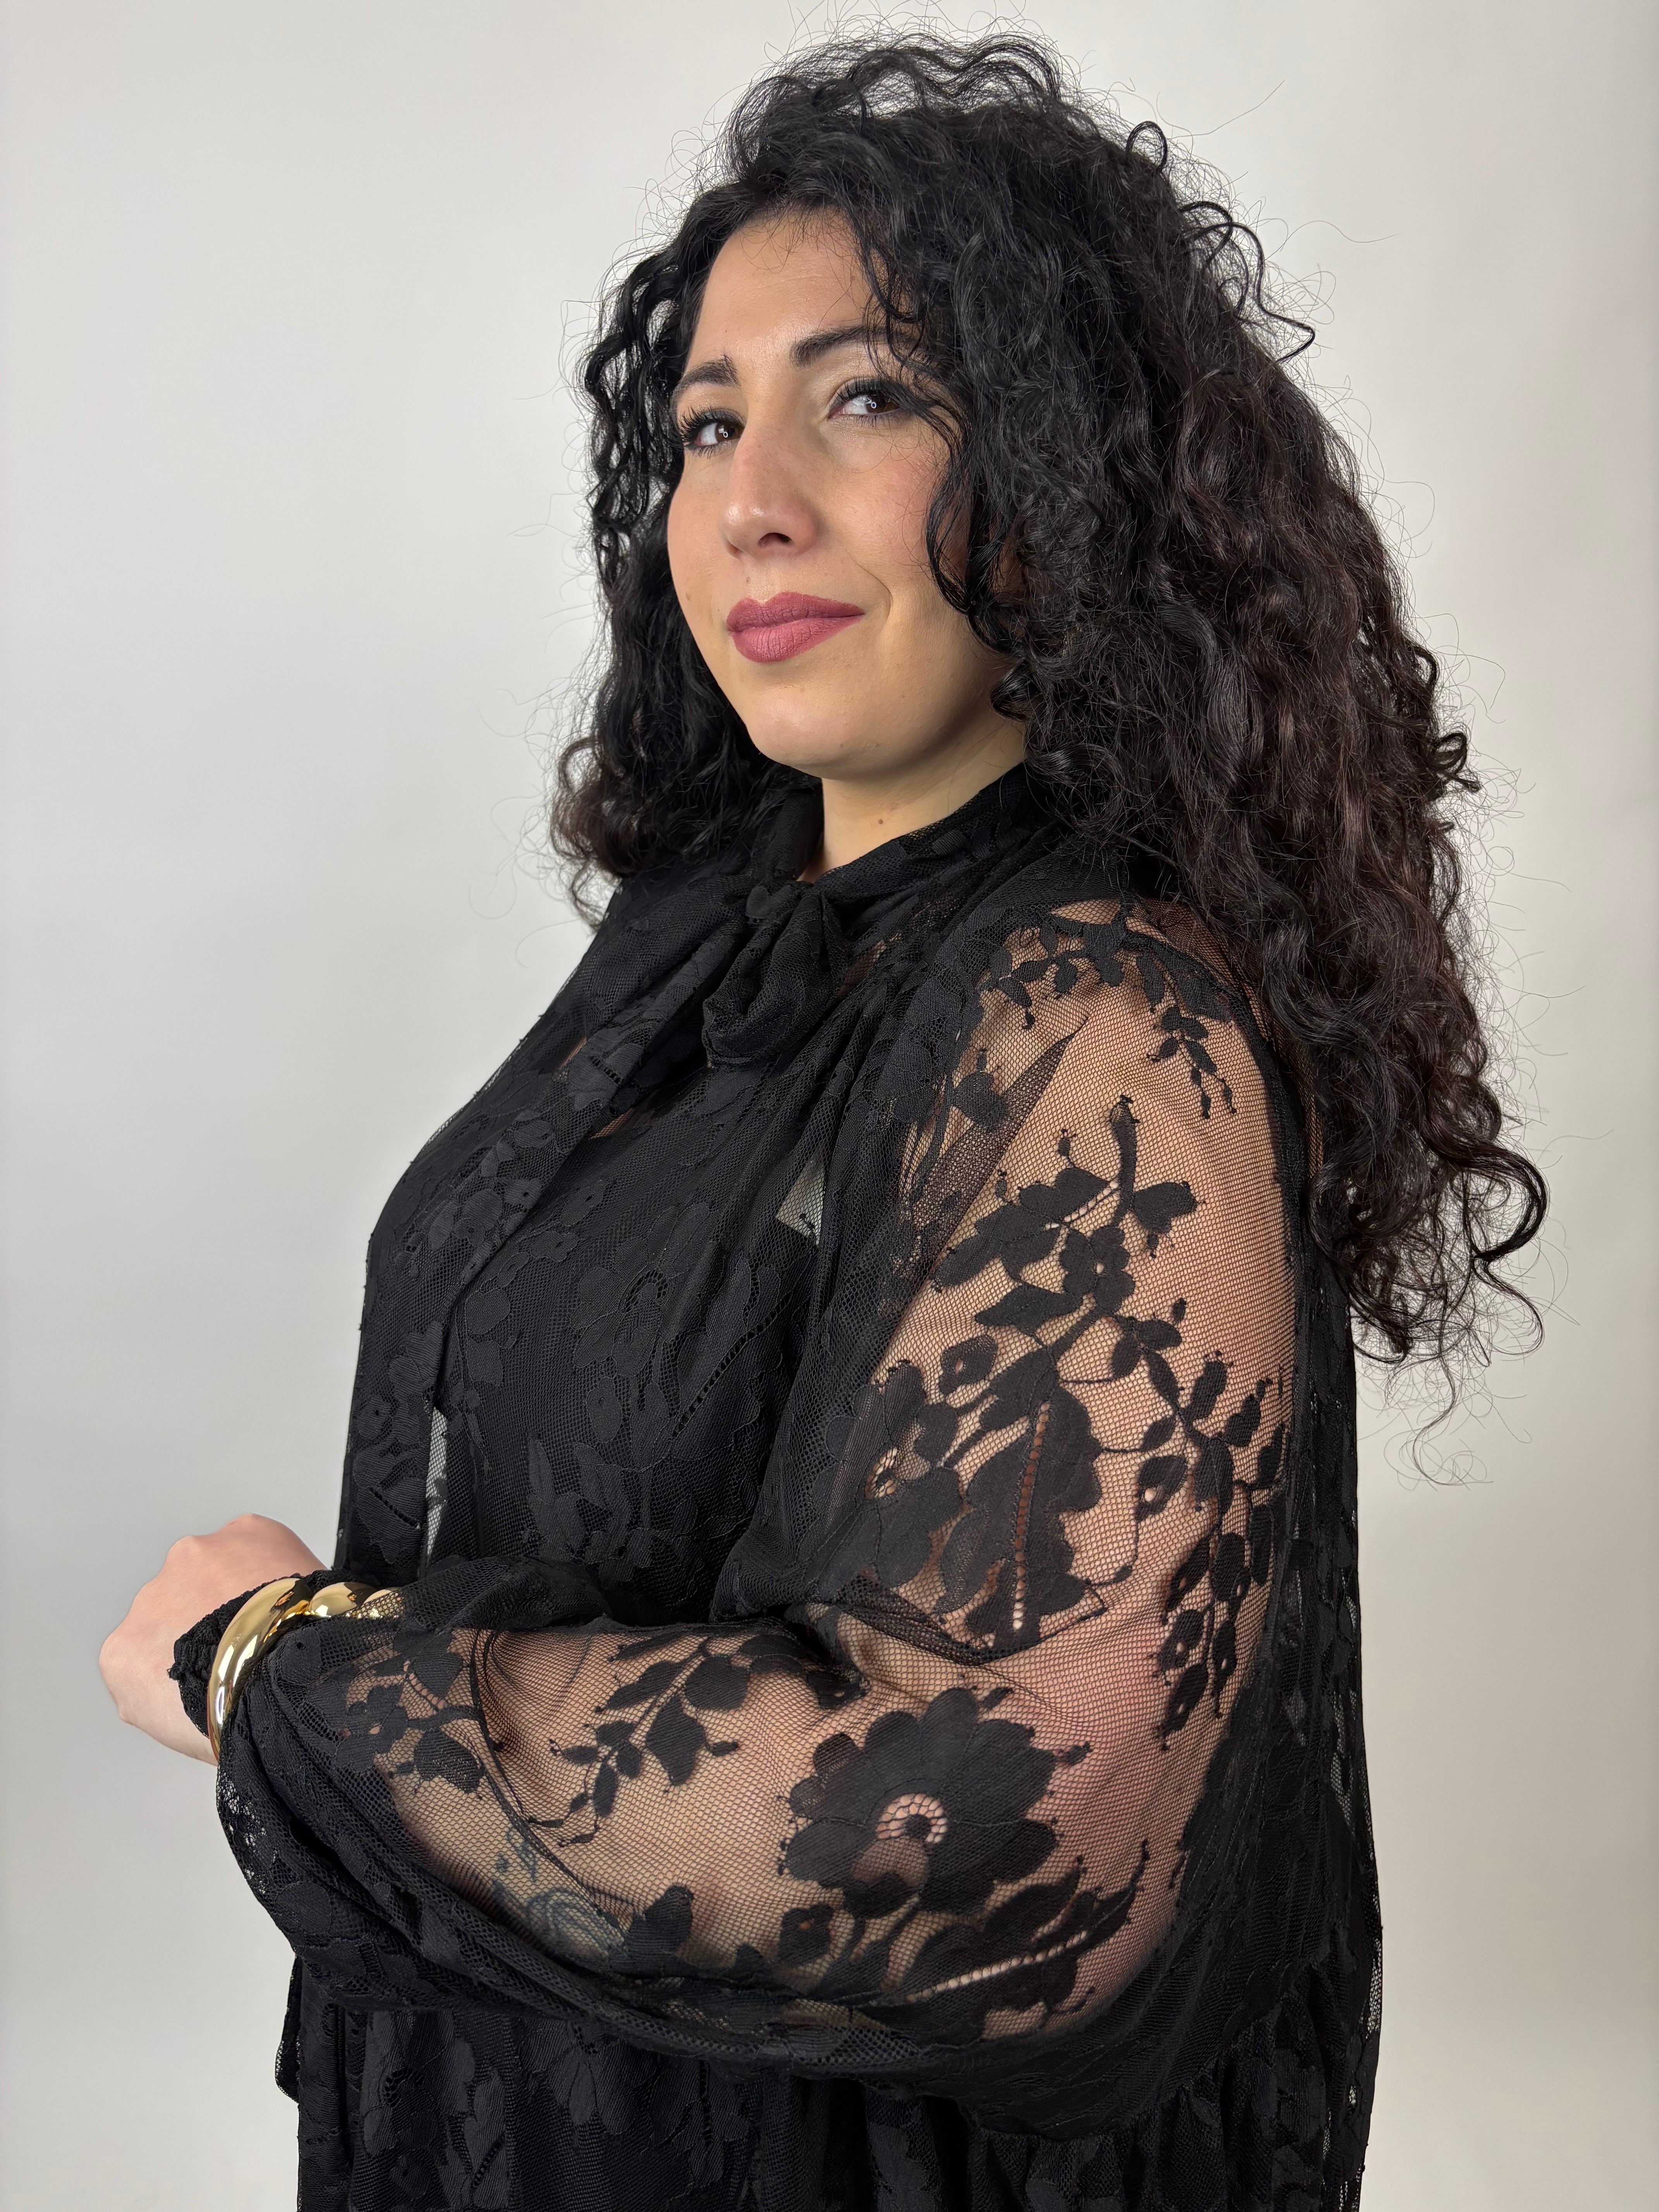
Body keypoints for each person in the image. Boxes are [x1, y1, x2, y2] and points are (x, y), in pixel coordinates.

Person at [98, 33, 1544, 2212]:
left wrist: (284, 1672)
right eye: (707, 422)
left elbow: (982, 1838)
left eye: (868, 397)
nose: (752, 497)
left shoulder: (1101, 1022)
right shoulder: (709, 936)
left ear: (1065, 469)